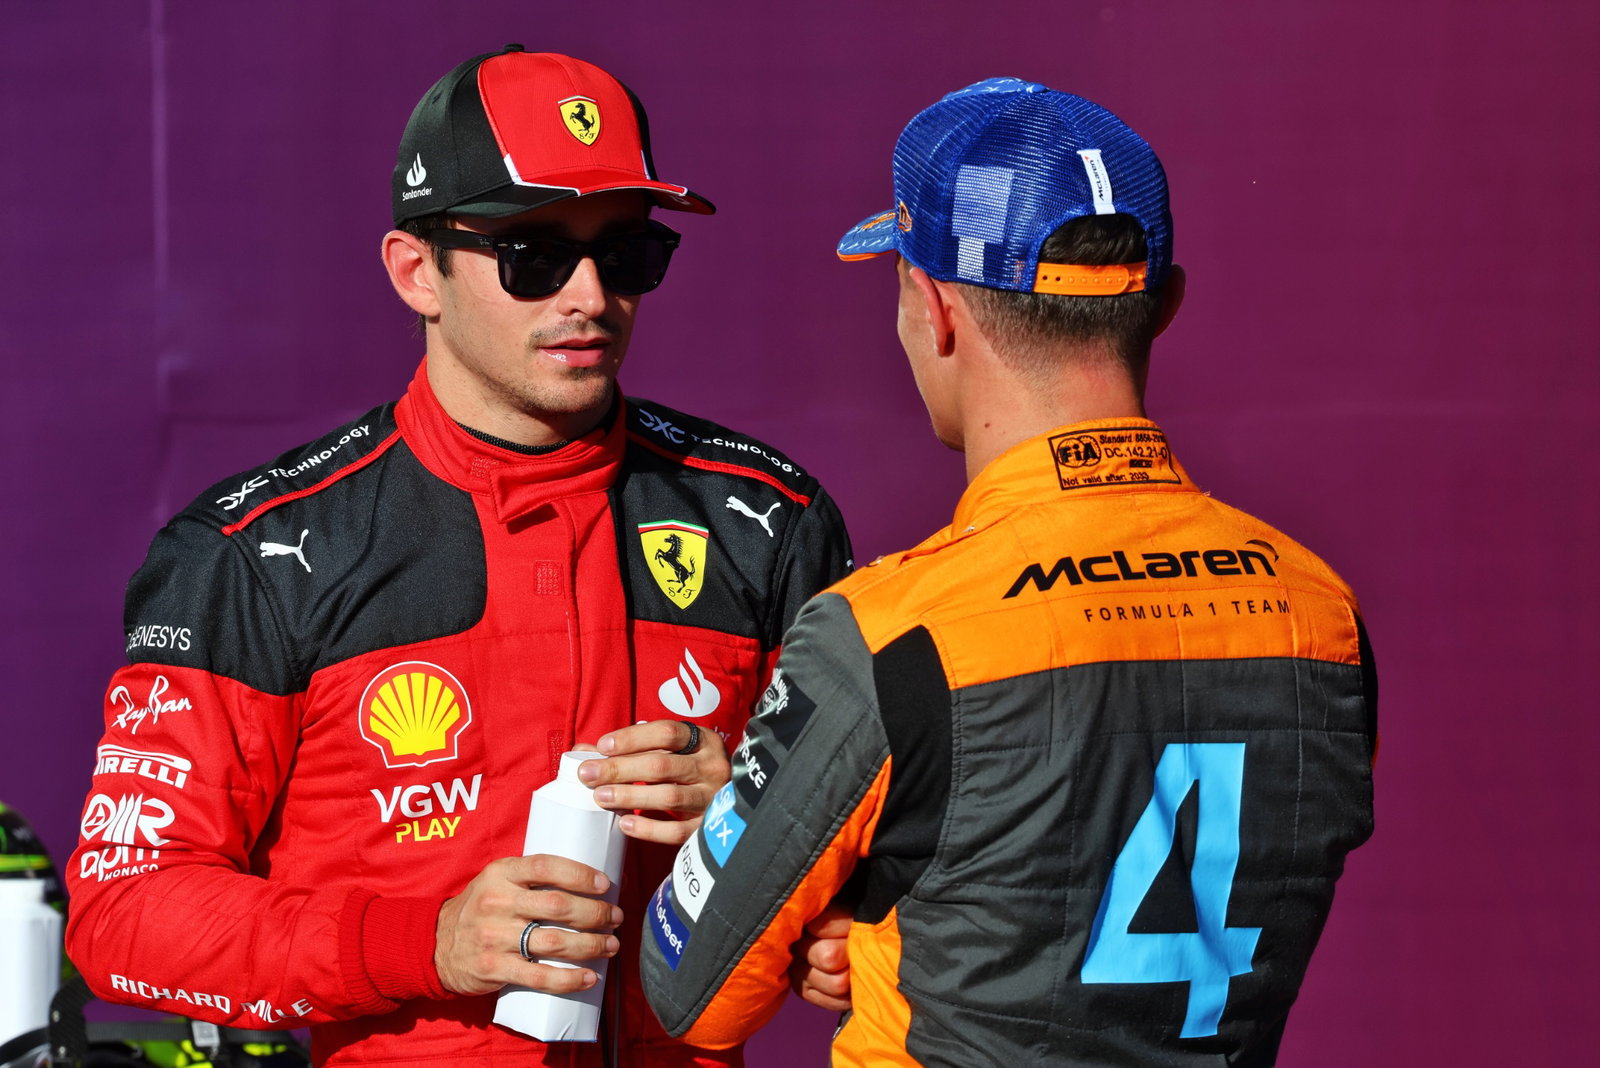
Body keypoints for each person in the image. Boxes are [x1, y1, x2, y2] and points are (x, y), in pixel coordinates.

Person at [63, 46, 852, 1068]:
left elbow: (902, 873)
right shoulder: (253, 552)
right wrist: (426, 942)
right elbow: (123, 913)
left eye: (625, 255)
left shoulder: (766, 516)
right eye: (532, 255)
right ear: (414, 273)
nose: (587, 297)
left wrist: (766, 817)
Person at [640, 77, 1376, 1065]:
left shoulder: (888, 634)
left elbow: (688, 992)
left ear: (932, 306)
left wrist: (781, 832)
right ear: (1162, 308)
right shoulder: (1320, 613)